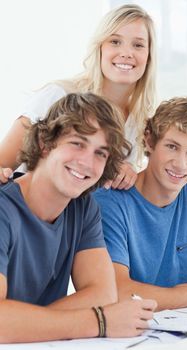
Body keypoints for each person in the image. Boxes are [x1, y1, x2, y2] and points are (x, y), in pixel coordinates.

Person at [0, 92, 156, 343]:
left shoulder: (83, 208)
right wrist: (101, 321)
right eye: (77, 143)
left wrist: (22, 324)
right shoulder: (3, 208)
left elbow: (103, 294)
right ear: (44, 143)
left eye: (100, 153)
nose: (86, 162)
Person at [94, 96, 187, 311]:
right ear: (149, 141)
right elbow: (118, 292)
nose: (181, 164)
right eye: (172, 147)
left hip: (186, 332)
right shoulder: (110, 201)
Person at [0, 4, 157, 189]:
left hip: (84, 217)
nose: (126, 53)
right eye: (115, 42)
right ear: (99, 48)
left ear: (148, 56)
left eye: (138, 45)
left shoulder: (139, 121)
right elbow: (3, 166)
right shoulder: (58, 95)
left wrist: (128, 171)